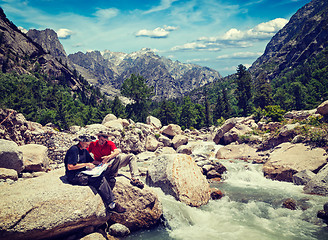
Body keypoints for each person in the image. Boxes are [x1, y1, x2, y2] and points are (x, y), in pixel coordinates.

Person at [64, 134, 126, 214]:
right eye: (87, 143)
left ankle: (110, 200)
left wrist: (102, 163)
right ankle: (111, 205)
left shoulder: (84, 150)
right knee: (99, 178)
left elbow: (92, 161)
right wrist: (86, 164)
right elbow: (70, 167)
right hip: (74, 176)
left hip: (83, 172)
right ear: (81, 142)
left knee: (100, 175)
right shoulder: (74, 149)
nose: (88, 145)